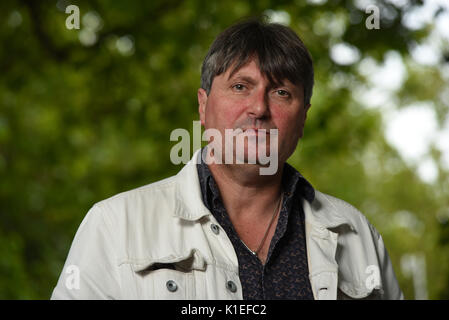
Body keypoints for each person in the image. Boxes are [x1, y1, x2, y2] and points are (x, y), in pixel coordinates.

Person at [51, 18, 403, 300]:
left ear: (303, 119)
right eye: (240, 86)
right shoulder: (114, 227)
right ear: (203, 106)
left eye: (281, 92)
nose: (259, 108)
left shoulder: (357, 237)